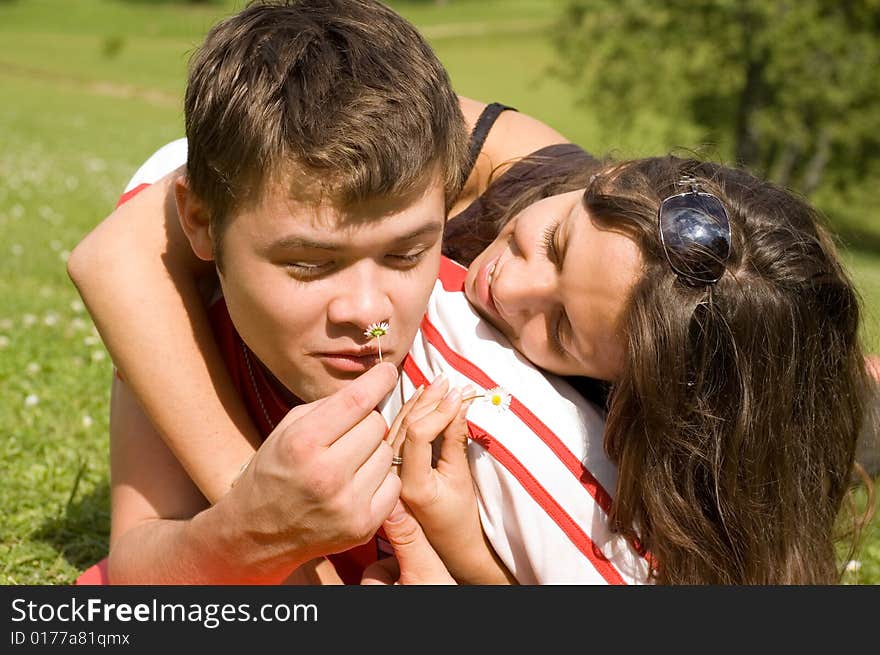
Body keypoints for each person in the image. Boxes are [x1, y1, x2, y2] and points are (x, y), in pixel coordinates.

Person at [71, 9, 871, 584]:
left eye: (559, 327)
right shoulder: (522, 171)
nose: (507, 285)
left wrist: (458, 554)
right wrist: (256, 524)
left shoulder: (639, 414)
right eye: (549, 242)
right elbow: (127, 247)